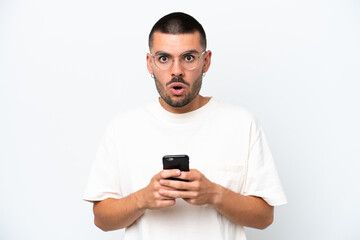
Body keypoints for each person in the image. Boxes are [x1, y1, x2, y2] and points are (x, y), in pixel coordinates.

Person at [83, 12, 287, 240]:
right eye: (164, 58)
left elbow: (264, 218)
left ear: (206, 61)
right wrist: (142, 199)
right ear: (150, 64)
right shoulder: (122, 128)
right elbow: (101, 219)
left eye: (188, 58)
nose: (176, 70)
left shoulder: (242, 123)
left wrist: (214, 194)